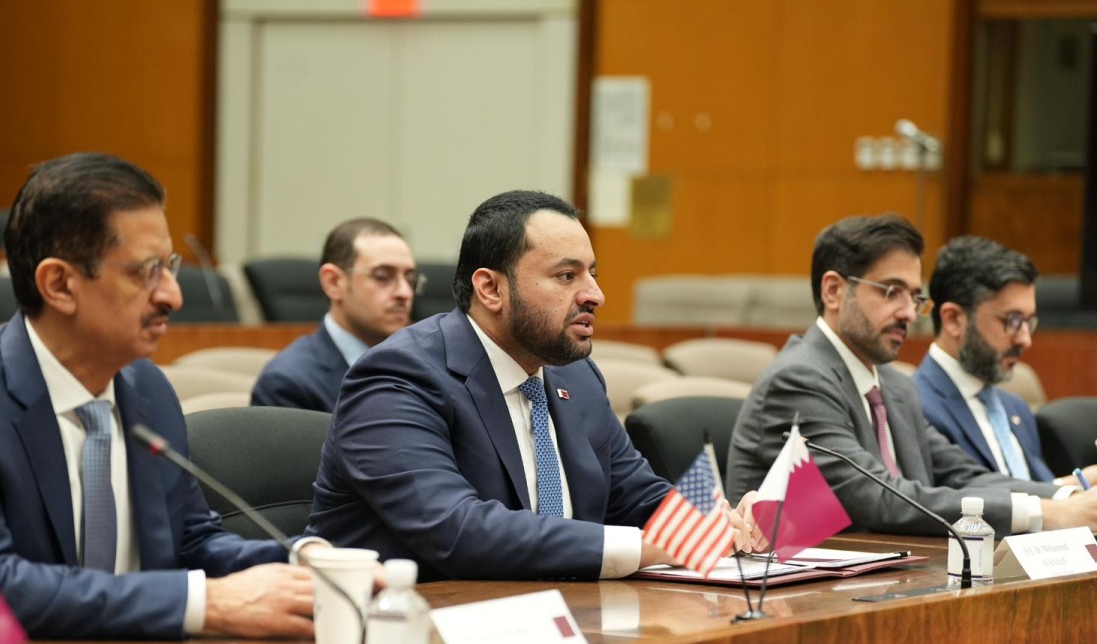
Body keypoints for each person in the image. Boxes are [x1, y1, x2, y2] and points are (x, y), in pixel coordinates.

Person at [0, 153, 322, 639]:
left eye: (170, 267)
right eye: (145, 272)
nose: (173, 296)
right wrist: (203, 603)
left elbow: (191, 541)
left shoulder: (146, 388)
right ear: (59, 284)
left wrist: (304, 559)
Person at [307, 189, 761, 582]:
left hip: (552, 617)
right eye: (567, 276)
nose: (594, 295)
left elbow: (636, 496)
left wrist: (715, 518)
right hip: (412, 636)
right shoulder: (398, 377)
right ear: (490, 289)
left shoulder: (575, 376)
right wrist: (647, 546)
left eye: (592, 274)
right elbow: (458, 530)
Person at [726, 214, 1097, 535]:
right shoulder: (799, 380)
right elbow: (880, 499)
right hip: (798, 604)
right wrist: (1045, 514)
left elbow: (963, 477)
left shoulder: (895, 387)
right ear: (833, 291)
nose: (910, 314)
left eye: (914, 297)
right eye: (890, 291)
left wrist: (1072, 496)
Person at [915, 235, 1097, 487]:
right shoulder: (916, 407)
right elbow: (966, 502)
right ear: (954, 319)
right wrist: (1077, 487)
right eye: (1012, 321)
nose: (1025, 340)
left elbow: (1044, 503)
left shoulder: (1014, 408)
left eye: (1029, 322)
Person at [251, 218, 420, 412]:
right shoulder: (288, 383)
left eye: (409, 279)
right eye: (382, 276)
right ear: (333, 283)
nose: (405, 292)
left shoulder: (424, 364)